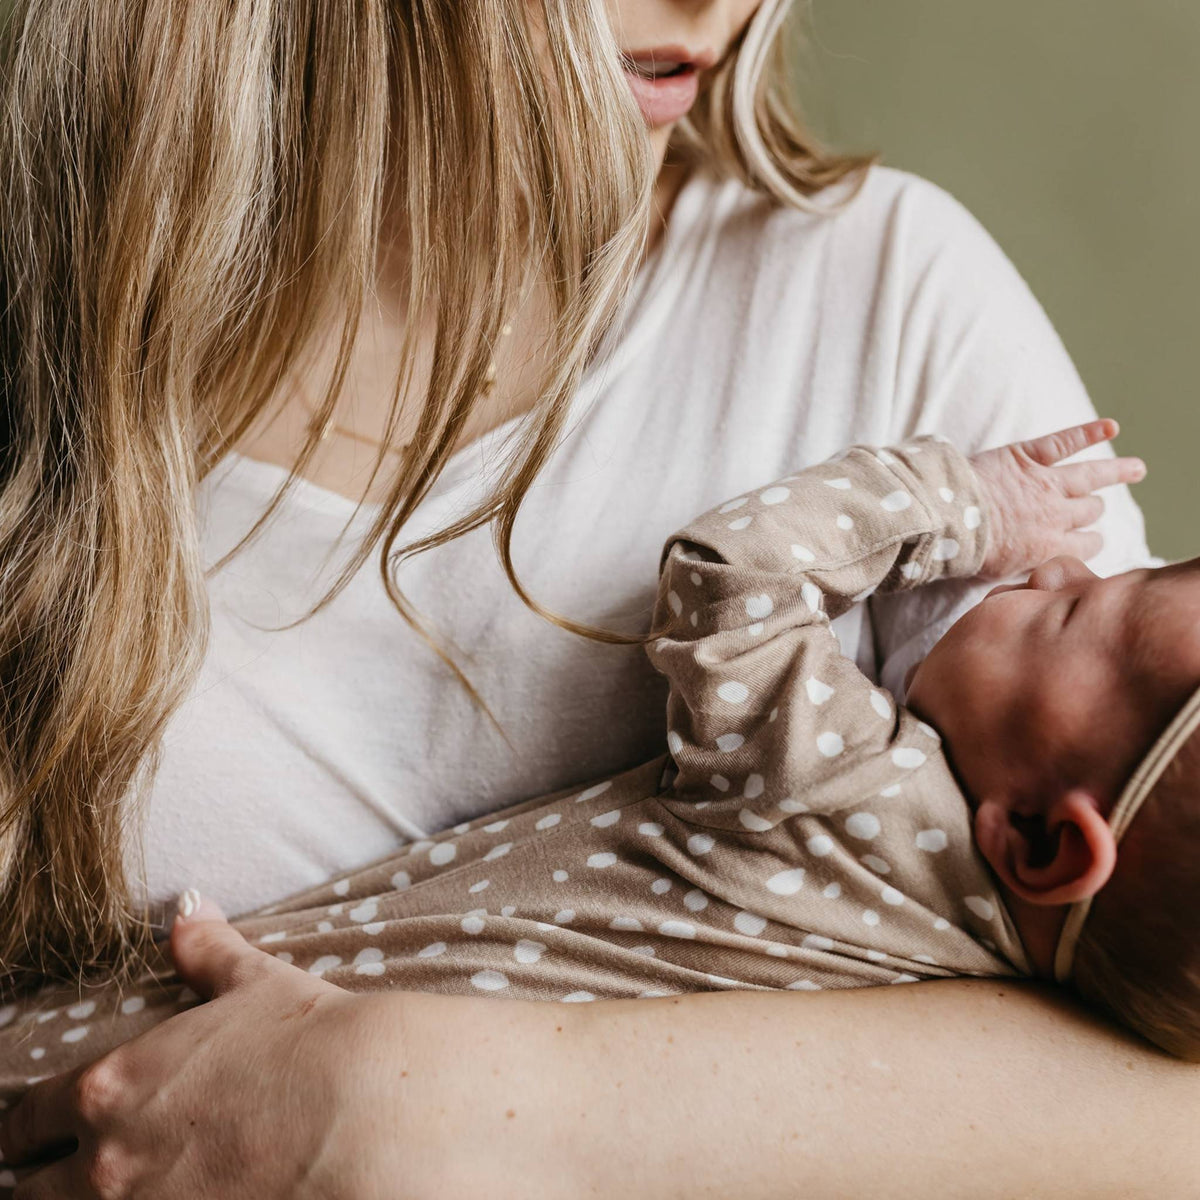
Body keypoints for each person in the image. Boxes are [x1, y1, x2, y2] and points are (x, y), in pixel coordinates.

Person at [2, 1, 1198, 1197]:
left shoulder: (875, 298)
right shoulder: (52, 390)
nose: (721, 4)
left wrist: (420, 1101)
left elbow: (1172, 1089)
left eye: (1084, 606)